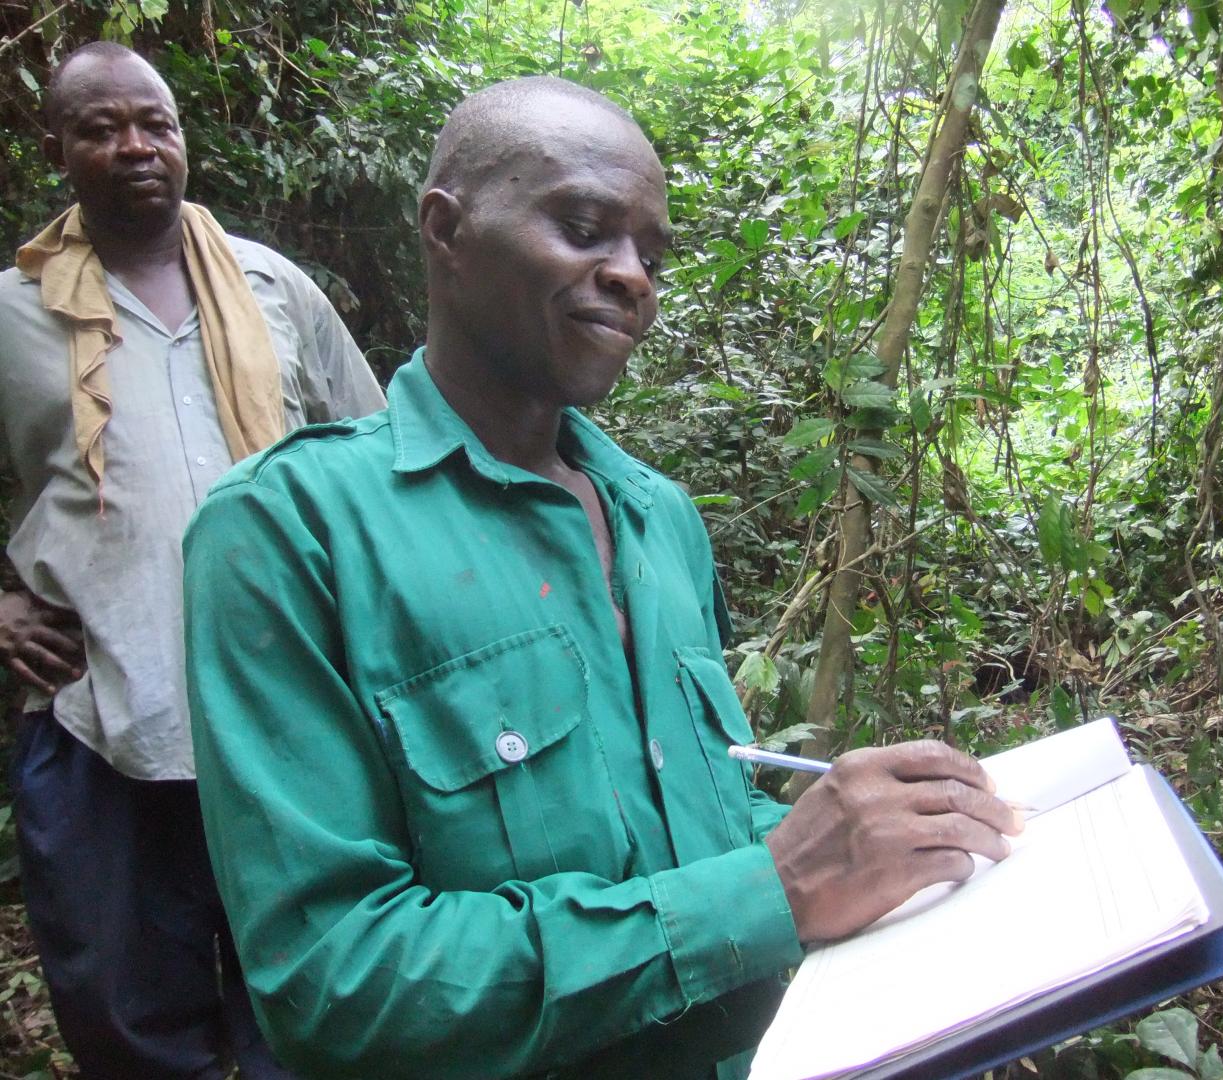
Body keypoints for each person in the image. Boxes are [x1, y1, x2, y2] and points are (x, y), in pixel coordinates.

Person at [182, 76, 1022, 1079]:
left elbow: (690, 817)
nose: (631, 276)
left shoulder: (658, 517)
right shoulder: (286, 531)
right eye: (585, 228)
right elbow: (333, 980)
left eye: (652, 255)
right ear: (446, 231)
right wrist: (776, 889)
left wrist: (862, 841)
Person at [0, 41, 385, 1079]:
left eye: (154, 124)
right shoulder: (11, 313)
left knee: (301, 1005)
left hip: (293, 717)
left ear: (182, 139)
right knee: (126, 1022)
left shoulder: (273, 286)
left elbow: (381, 462)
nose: (135, 146)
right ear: (57, 148)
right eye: (101, 128)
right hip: (102, 720)